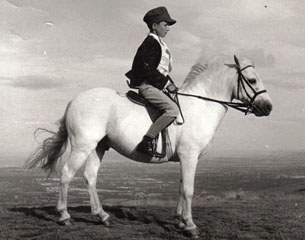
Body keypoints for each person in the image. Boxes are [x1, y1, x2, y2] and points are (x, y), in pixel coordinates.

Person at [125, 6, 179, 156]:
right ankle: (147, 141)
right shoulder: (151, 43)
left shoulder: (159, 43)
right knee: (173, 110)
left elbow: (161, 70)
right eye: (165, 24)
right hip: (148, 86)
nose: (168, 28)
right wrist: (167, 84)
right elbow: (146, 69)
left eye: (168, 25)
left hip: (157, 85)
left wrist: (170, 85)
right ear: (154, 26)